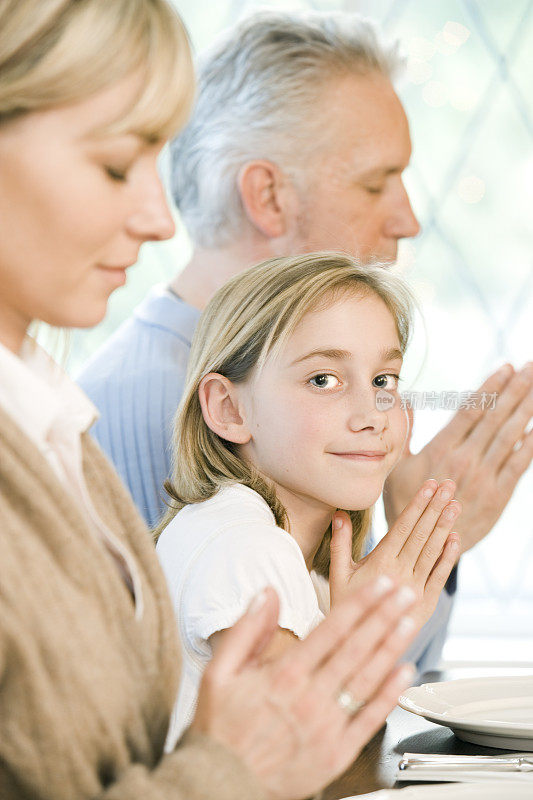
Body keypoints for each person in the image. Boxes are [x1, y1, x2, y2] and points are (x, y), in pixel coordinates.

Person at [0, 3, 422, 799]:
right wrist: (233, 769)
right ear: (224, 407)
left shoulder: (59, 432)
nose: (159, 218)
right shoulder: (224, 518)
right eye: (116, 165)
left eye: (385, 380)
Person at [79, 10, 533, 671]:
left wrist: (414, 540)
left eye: (383, 379)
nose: (406, 218)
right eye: (376, 182)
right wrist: (408, 536)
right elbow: (304, 728)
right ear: (267, 197)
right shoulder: (165, 415)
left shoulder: (284, 445)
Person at [155, 252, 462, 745]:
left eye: (384, 381)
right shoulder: (245, 545)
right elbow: (285, 749)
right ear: (229, 408)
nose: (373, 414)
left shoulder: (302, 566)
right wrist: (358, 634)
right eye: (324, 380)